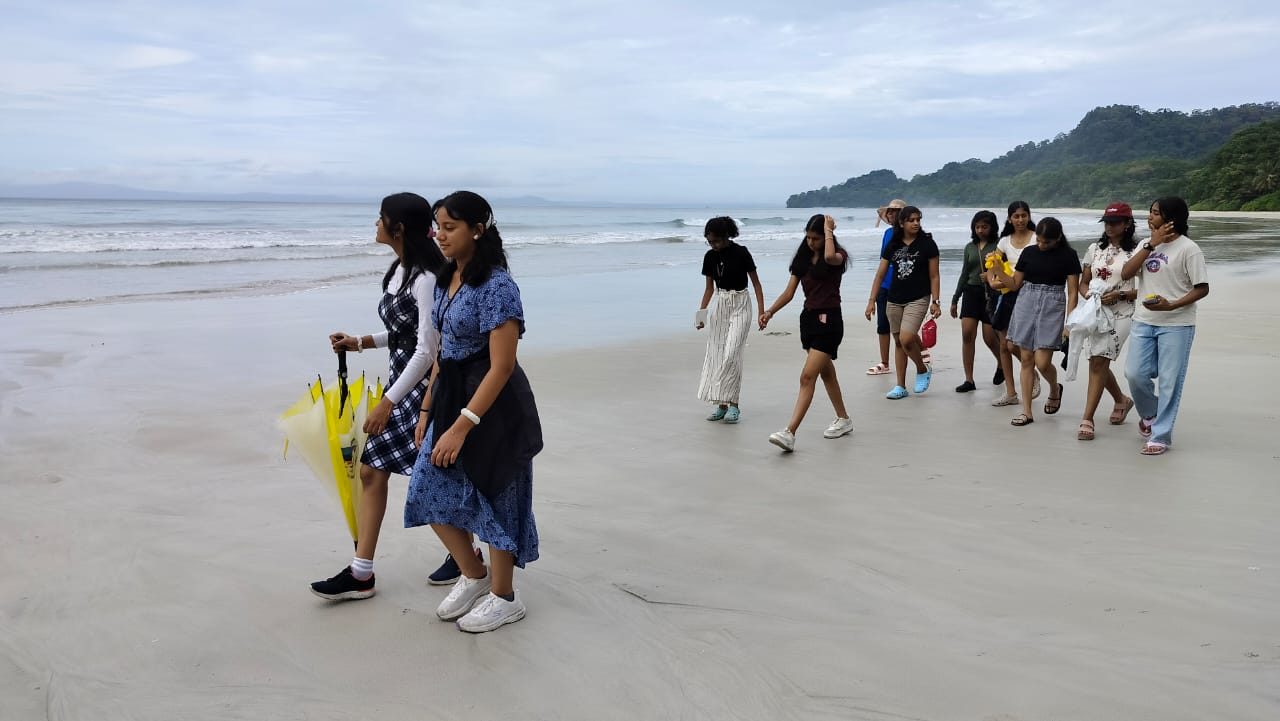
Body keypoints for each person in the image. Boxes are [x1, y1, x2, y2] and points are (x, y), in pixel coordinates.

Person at [404, 191, 543, 632]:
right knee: (426, 488)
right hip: (450, 397)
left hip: (493, 406)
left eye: (450, 227)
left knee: (499, 494)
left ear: (478, 230)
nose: (439, 236)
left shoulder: (498, 286)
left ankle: (505, 597)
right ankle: (474, 574)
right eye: (437, 227)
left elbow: (502, 366)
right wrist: (427, 409)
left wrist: (463, 426)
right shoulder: (448, 277)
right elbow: (443, 351)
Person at [310, 192, 454, 601]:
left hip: (423, 388)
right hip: (403, 381)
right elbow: (404, 333)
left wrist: (387, 401)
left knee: (427, 477)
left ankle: (468, 556)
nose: (375, 224)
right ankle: (362, 572)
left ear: (399, 228)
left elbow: (428, 349)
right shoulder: (400, 270)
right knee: (376, 472)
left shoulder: (426, 278)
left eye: (380, 218)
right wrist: (361, 342)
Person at [1120, 197, 1209, 455]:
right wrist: (1151, 244)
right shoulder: (1145, 245)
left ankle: (1160, 436)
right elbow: (1126, 273)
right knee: (1134, 374)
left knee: (1170, 382)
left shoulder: (1189, 249)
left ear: (1171, 219)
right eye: (1150, 212)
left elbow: (1202, 288)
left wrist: (1172, 305)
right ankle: (1150, 415)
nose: (1149, 217)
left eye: (1156, 213)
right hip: (1144, 321)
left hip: (1177, 324)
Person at [759, 214, 854, 452]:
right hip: (809, 320)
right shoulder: (802, 259)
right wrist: (770, 312)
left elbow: (830, 257)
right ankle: (843, 419)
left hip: (829, 322)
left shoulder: (838, 255)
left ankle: (789, 432)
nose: (811, 242)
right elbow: (789, 292)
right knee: (826, 373)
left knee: (807, 377)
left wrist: (829, 230)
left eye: (816, 238)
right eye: (808, 237)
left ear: (826, 236)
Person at [988, 217, 1080, 426]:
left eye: (1046, 242)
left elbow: (1073, 292)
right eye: (1038, 240)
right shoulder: (1029, 253)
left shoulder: (1069, 255)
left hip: (1053, 303)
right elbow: (1014, 284)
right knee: (1027, 358)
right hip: (1026, 301)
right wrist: (998, 269)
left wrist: (1069, 323)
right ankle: (1027, 412)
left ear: (1057, 238)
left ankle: (1054, 388)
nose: (1041, 245)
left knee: (1043, 362)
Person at [1076, 202, 1139, 441]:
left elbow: (1146, 287)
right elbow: (1084, 282)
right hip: (1096, 311)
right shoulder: (1094, 249)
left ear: (1127, 224)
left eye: (1115, 223)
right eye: (1107, 223)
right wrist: (1089, 296)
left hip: (1123, 312)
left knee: (1099, 361)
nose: (1109, 227)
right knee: (1096, 360)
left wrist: (1120, 295)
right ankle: (1121, 400)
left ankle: (1087, 418)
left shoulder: (1138, 251)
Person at [864, 205, 940, 400]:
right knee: (898, 342)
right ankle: (900, 386)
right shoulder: (893, 244)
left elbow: (934, 275)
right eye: (911, 220)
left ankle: (922, 369)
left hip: (918, 297)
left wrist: (936, 301)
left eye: (918, 220)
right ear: (902, 223)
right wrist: (871, 301)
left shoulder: (927, 243)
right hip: (894, 299)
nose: (916, 223)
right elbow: (880, 275)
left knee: (907, 339)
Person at [697, 216, 766, 423]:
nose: (713, 245)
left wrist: (762, 313)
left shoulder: (741, 252)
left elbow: (756, 284)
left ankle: (734, 405)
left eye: (716, 241)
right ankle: (721, 405)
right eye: (709, 241)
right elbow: (709, 289)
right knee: (717, 354)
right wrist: (701, 315)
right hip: (721, 304)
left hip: (741, 303)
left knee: (732, 354)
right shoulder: (709, 257)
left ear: (727, 236)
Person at [986, 201, 1040, 406]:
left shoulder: (1036, 238)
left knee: (1016, 344)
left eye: (1023, 215)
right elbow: (992, 262)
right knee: (1004, 344)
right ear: (1009, 219)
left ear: (1029, 216)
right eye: (1016, 216)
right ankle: (1010, 392)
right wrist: (992, 281)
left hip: (1030, 293)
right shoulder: (1004, 241)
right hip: (1008, 294)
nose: (1020, 220)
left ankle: (1031, 370)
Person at [951, 210, 1003, 393]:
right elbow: (964, 273)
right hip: (970, 293)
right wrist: (955, 299)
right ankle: (969, 379)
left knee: (989, 337)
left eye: (985, 227)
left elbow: (1006, 270)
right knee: (967, 334)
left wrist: (990, 275)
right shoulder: (969, 247)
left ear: (992, 227)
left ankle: (1002, 363)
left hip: (991, 294)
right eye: (977, 227)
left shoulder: (999, 245)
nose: (980, 230)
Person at [867, 199, 906, 375]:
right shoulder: (887, 233)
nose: (889, 214)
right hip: (884, 285)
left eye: (893, 211)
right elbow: (883, 263)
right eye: (888, 211)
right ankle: (884, 363)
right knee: (882, 325)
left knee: (903, 329)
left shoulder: (908, 235)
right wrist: (872, 298)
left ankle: (920, 351)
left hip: (901, 286)